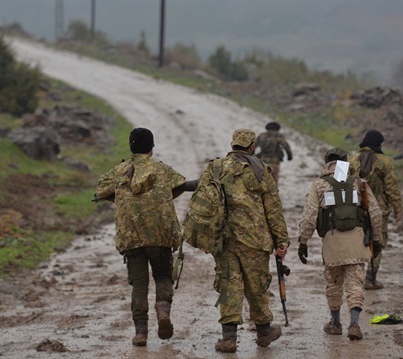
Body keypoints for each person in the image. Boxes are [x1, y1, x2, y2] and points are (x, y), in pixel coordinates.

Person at [95, 127, 197, 346]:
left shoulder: (119, 171)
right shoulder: (163, 170)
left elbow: (100, 192)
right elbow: (182, 185)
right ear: (152, 148)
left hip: (131, 237)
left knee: (139, 284)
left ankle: (140, 333)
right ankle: (163, 311)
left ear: (131, 147)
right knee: (162, 276)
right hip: (160, 236)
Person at [197, 128, 289, 353]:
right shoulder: (261, 170)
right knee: (256, 286)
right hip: (255, 240)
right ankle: (264, 331)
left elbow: (202, 198)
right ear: (251, 147)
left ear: (232, 146)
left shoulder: (216, 167)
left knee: (229, 285)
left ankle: (229, 338)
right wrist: (281, 240)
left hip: (224, 240)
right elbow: (273, 209)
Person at [297, 147, 383, 340]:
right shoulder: (358, 183)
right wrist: (376, 240)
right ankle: (354, 324)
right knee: (355, 283)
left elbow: (309, 216)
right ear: (346, 162)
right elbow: (375, 214)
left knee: (334, 283)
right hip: (357, 242)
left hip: (332, 243)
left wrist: (303, 241)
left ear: (326, 162)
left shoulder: (319, 185)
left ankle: (335, 323)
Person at [349, 130, 402, 290]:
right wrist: (397, 208)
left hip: (356, 209)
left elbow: (340, 185)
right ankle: (371, 278)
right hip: (380, 210)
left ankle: (356, 277)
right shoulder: (385, 162)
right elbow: (392, 187)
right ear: (379, 144)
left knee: (358, 241)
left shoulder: (351, 160)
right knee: (377, 240)